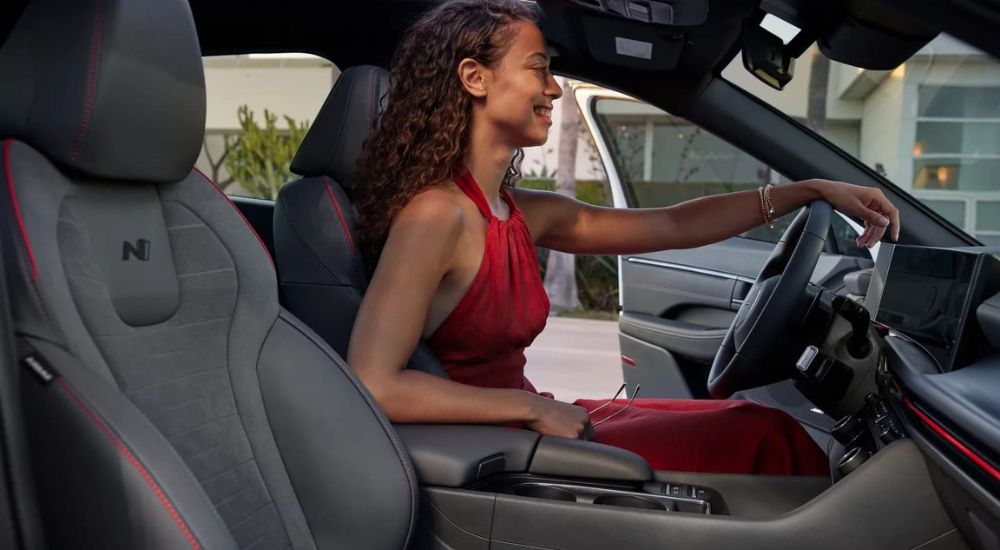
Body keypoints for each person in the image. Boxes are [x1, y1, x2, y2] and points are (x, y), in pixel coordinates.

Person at [348, 0, 899, 475]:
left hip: (527, 420)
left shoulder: (517, 212)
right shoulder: (434, 217)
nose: (553, 89)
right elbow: (374, 383)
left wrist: (806, 190)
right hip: (505, 444)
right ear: (475, 78)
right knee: (768, 441)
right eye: (538, 70)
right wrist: (533, 412)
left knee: (758, 422)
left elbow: (672, 225)